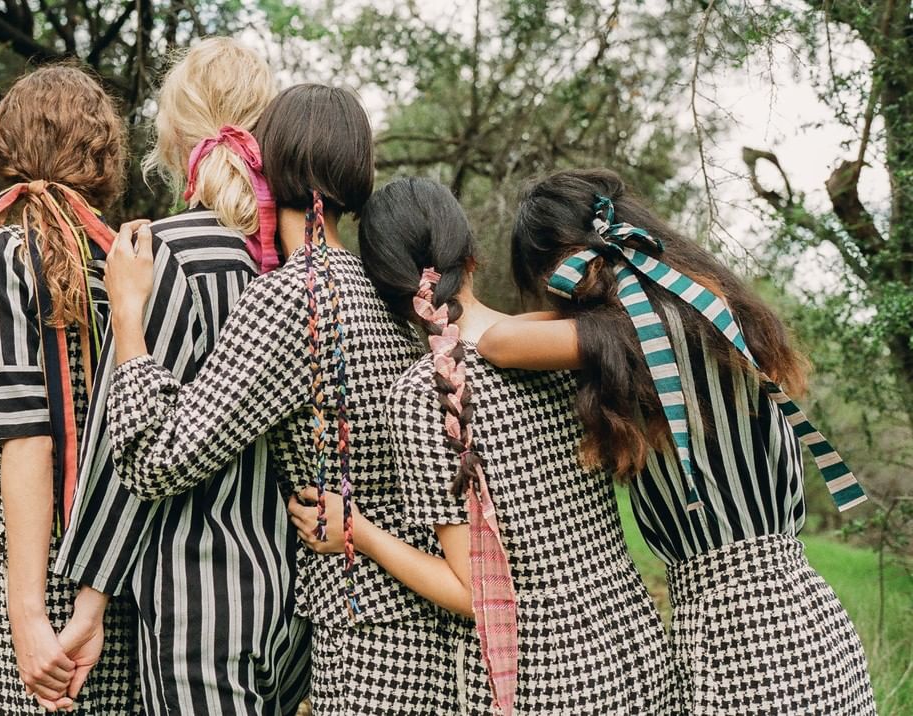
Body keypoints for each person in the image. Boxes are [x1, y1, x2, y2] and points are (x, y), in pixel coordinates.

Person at [101, 84, 464, 714]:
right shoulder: (376, 290)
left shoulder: (295, 297)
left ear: (269, 160)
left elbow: (155, 459)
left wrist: (129, 315)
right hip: (418, 623)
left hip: (363, 638)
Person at [477, 168, 876, 715]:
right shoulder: (706, 311)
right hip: (803, 615)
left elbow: (500, 340)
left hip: (741, 639)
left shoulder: (639, 330)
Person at [290, 177, 677, 715]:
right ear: (471, 257)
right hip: (638, 653)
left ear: (386, 290)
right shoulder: (563, 345)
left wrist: (361, 533)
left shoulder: (423, 395)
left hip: (540, 679)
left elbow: (475, 594)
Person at [52, 38, 311, 715]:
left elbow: (127, 444)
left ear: (171, 134)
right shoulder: (292, 266)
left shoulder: (158, 257)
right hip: (291, 594)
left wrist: (89, 599)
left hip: (200, 599)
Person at [0, 64, 140, 714]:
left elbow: (27, 439)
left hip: (39, 553)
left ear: (10, 143)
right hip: (118, 556)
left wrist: (28, 611)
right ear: (102, 153)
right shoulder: (127, 260)